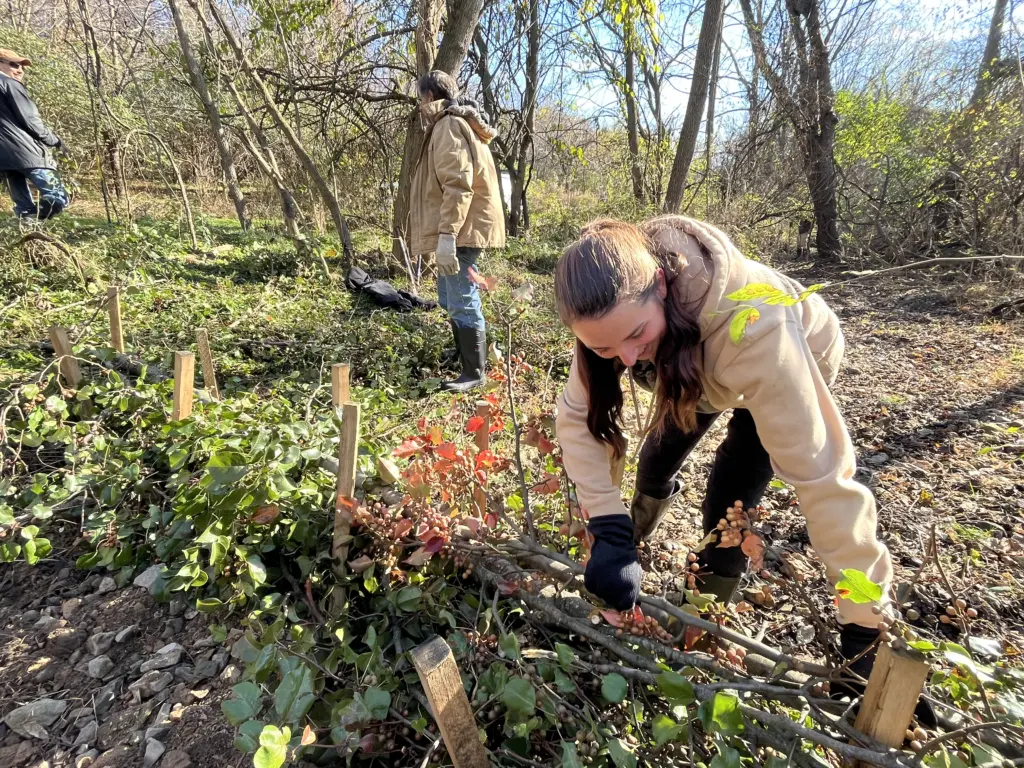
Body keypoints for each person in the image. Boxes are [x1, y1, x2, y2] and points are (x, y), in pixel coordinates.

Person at [554, 216, 893, 684]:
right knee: (654, 463)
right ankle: (632, 536)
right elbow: (577, 418)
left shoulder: (756, 331)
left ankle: (705, 609)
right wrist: (607, 528)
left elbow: (824, 479)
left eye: (635, 336)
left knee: (730, 502)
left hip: (796, 352)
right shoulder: (610, 312)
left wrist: (865, 625)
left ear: (660, 283)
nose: (627, 360)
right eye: (607, 348)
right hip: (692, 361)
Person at [409, 70, 505, 392]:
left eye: (422, 98)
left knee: (462, 297)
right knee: (448, 295)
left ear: (431, 97)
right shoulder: (453, 123)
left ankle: (474, 373)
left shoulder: (448, 125)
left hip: (460, 229)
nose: (420, 105)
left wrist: (448, 235)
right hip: (456, 227)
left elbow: (458, 184)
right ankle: (464, 355)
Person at [0, 48, 69, 220]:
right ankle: (33, 223)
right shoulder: (10, 84)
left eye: (22, 66)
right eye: (14, 64)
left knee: (23, 206)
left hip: (4, 160)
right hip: (26, 152)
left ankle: (30, 241)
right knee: (59, 197)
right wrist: (56, 142)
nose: (20, 70)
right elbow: (31, 120)